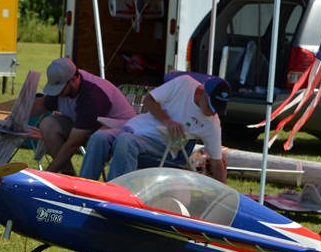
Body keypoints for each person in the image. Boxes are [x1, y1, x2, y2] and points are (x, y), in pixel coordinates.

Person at [80, 73, 230, 183]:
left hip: (160, 147)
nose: (213, 112)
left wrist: (225, 197)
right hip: (131, 128)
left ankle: (114, 197)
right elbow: (149, 100)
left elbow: (216, 162)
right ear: (202, 92)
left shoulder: (212, 124)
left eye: (218, 108)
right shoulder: (184, 84)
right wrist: (168, 121)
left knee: (126, 141)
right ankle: (83, 189)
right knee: (99, 137)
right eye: (211, 106)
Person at [29, 58, 136, 175]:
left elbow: (73, 143)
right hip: (92, 129)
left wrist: (45, 175)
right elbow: (43, 105)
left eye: (60, 89)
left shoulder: (92, 96)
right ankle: (68, 176)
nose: (58, 93)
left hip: (120, 132)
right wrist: (17, 115)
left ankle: (85, 181)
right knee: (48, 125)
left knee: (98, 138)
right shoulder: (66, 82)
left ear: (73, 80)